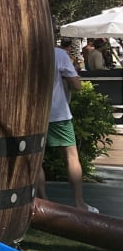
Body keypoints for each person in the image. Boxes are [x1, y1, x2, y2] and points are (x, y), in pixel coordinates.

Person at [36, 44, 98, 213]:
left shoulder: (28, 51)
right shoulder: (58, 54)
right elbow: (77, 85)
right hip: (58, 113)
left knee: (36, 159)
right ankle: (79, 203)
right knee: (71, 157)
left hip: (33, 115)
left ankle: (43, 203)